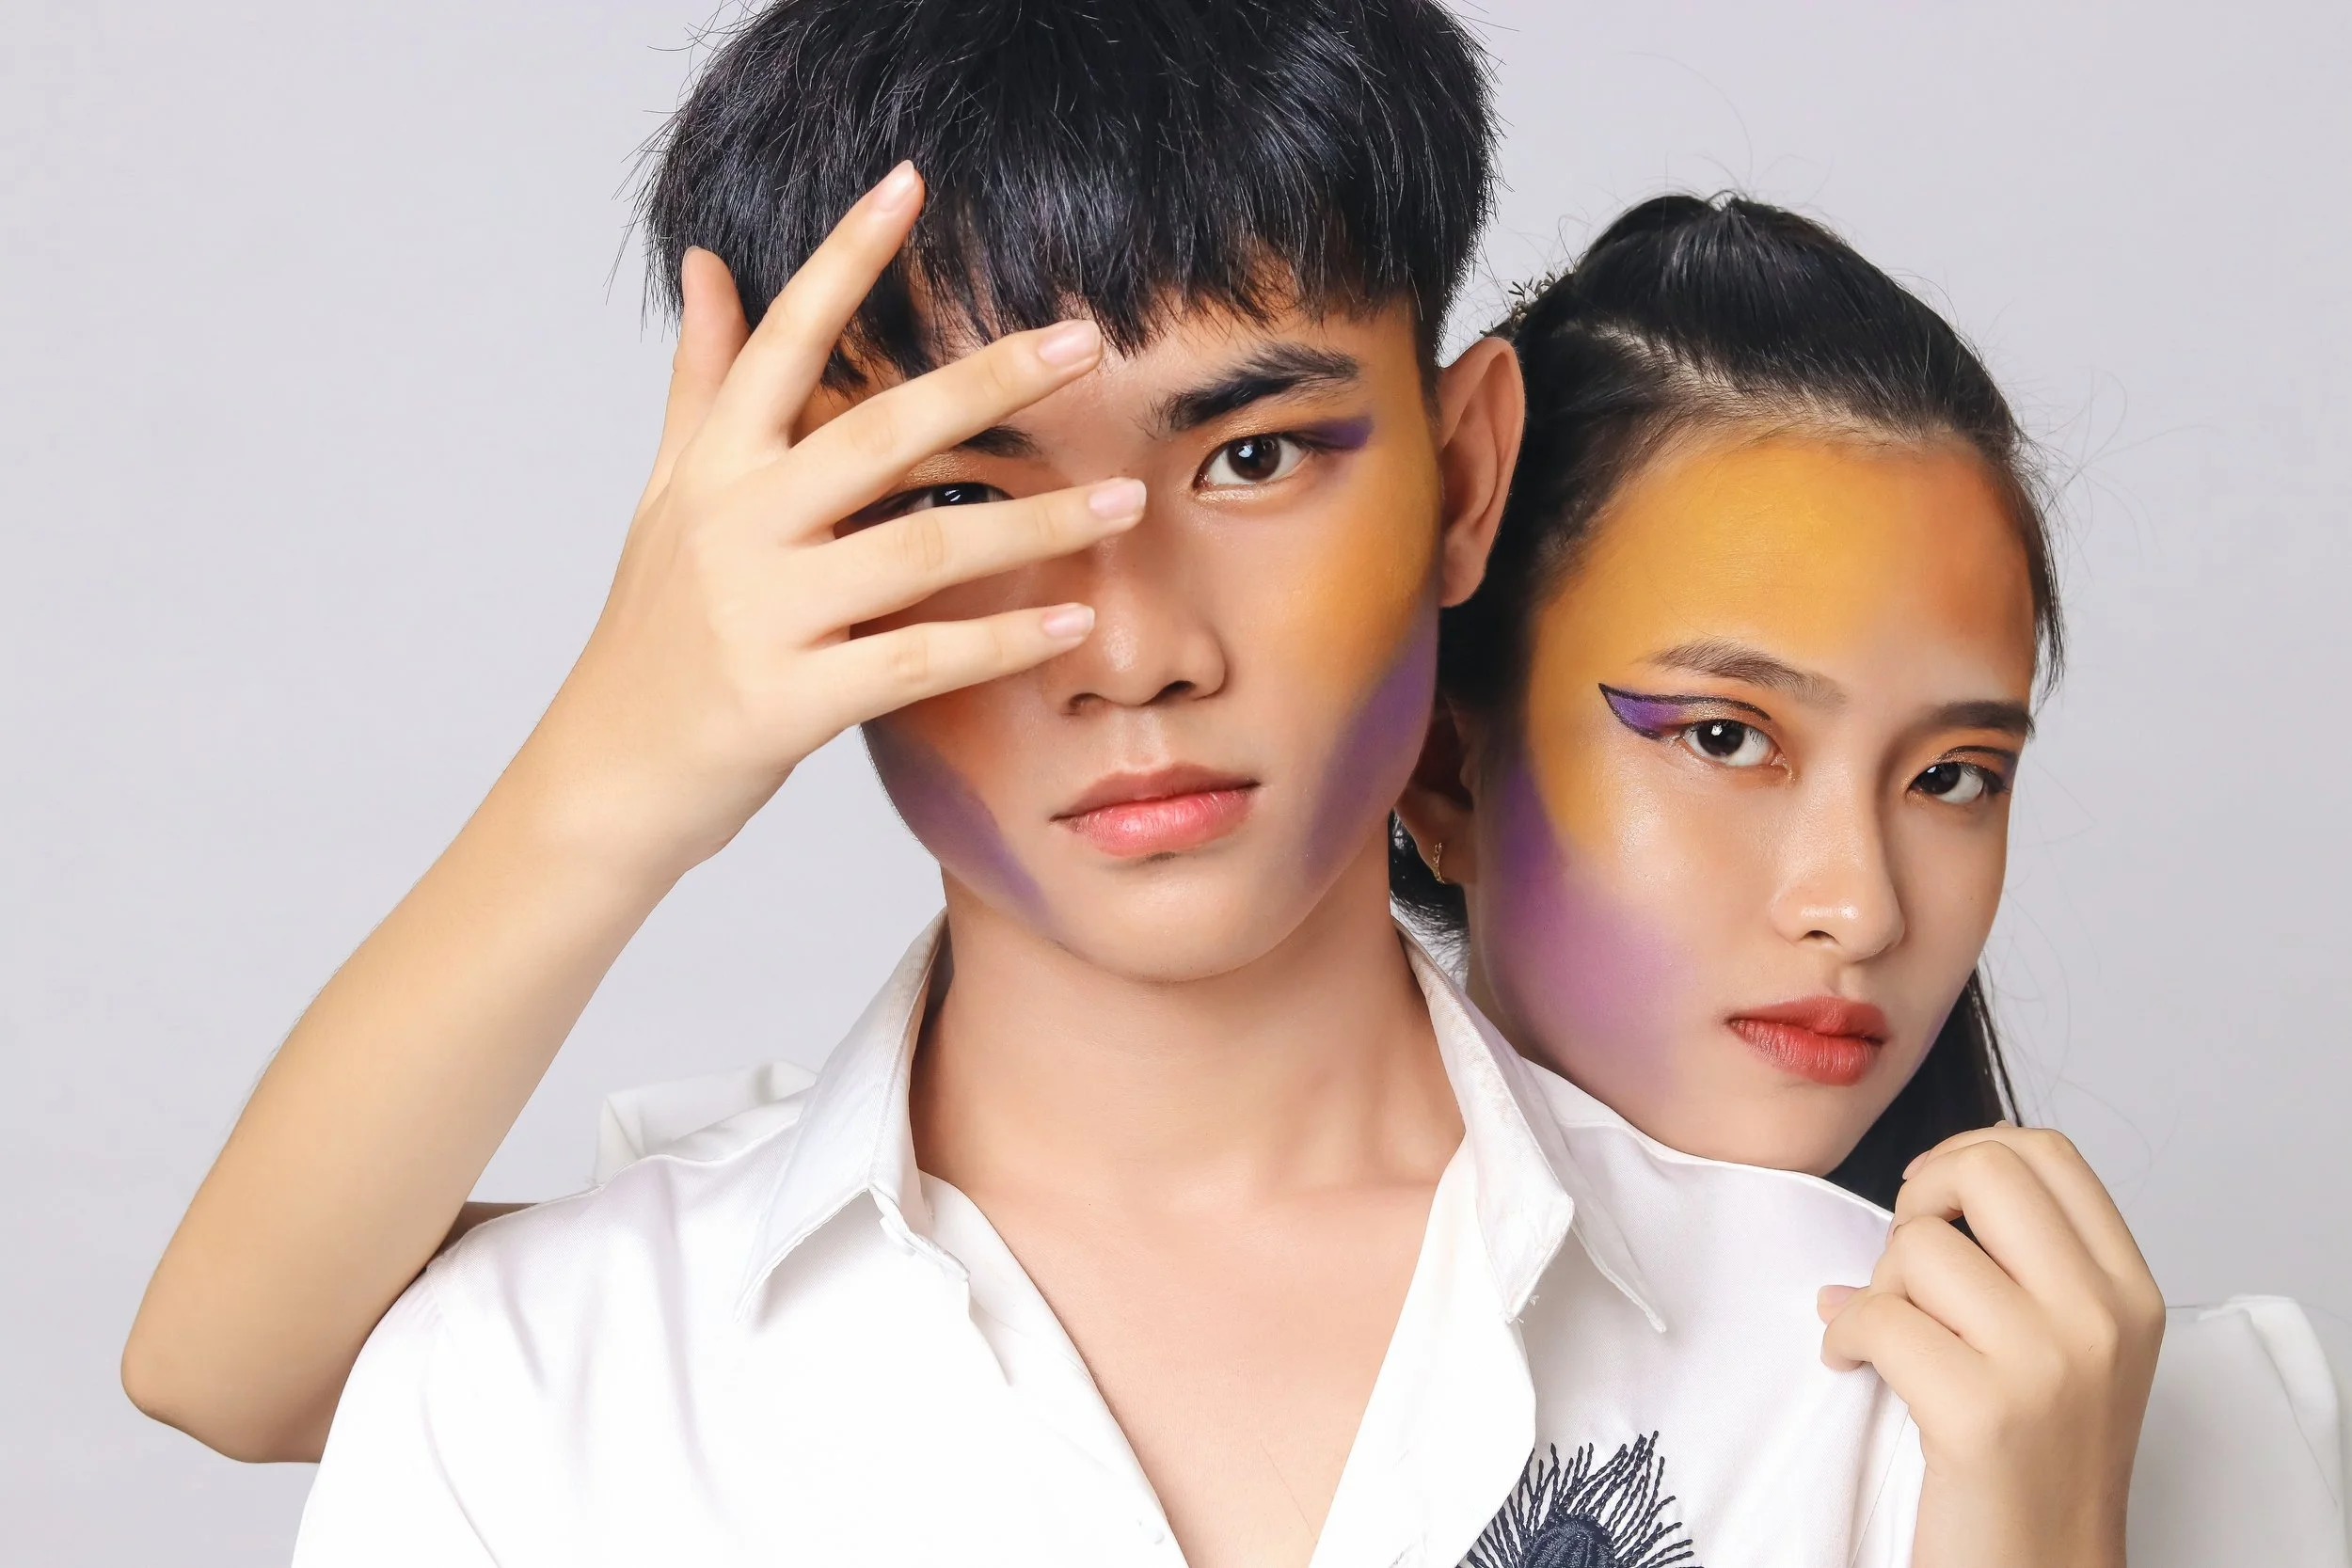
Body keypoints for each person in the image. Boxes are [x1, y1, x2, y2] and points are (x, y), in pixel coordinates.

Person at [121, 3, 2015, 1566]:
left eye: (1254, 457)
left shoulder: (1865, 1376)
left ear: (1461, 472)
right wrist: (627, 747)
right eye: (961, 494)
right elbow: (220, 1359)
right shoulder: (534, 1387)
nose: (1134, 645)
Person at [1384, 195, 2344, 1564]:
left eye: (1953, 775)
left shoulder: (2218, 1433)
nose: (1864, 905)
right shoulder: (1129, 1373)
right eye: (1725, 737)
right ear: (1439, 767)